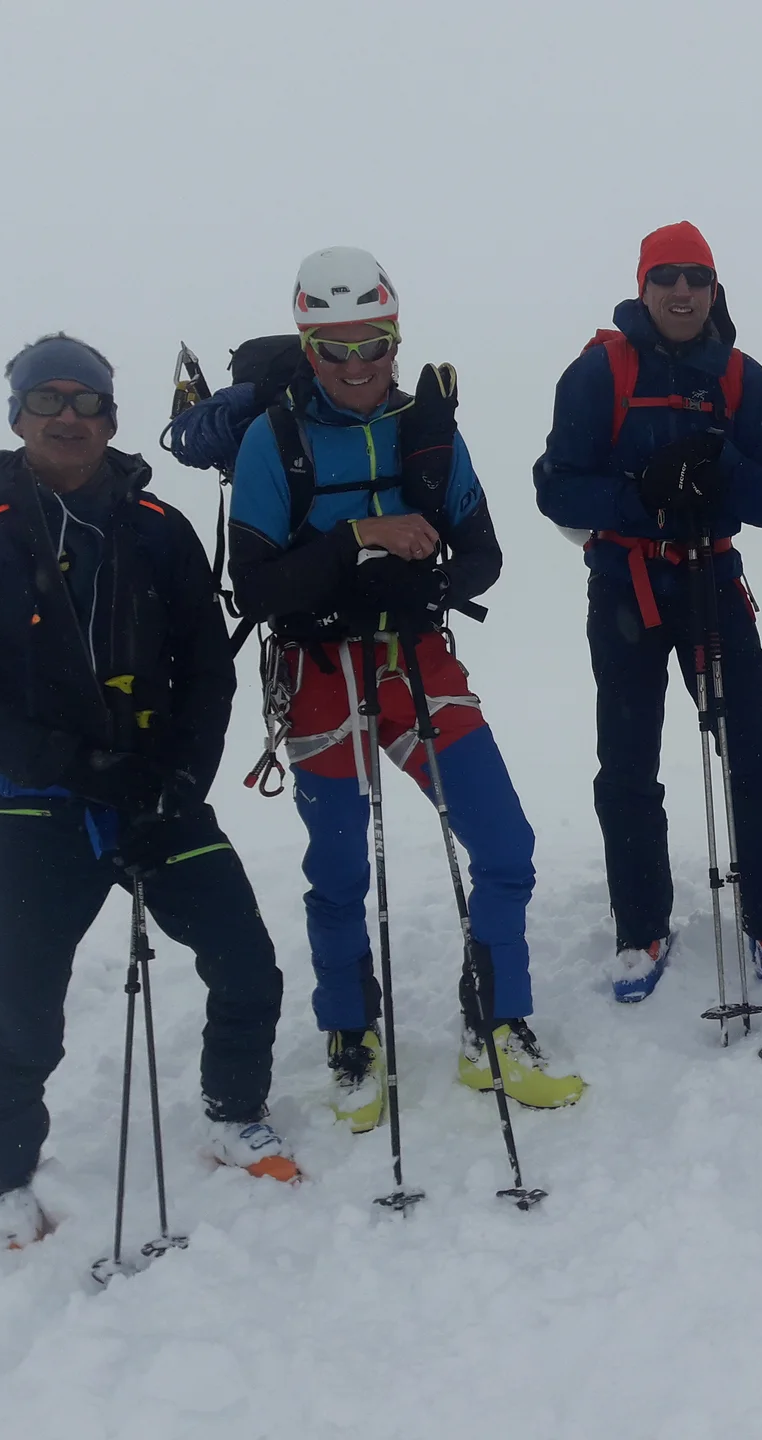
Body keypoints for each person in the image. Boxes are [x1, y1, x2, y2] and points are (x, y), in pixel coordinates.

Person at [0, 333, 293, 1249]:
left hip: (157, 792)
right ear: (19, 418)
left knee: (246, 961)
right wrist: (72, 764)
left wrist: (181, 779)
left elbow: (206, 671)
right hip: (30, 807)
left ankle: (234, 1113)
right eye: (49, 401)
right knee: (30, 1006)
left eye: (86, 402)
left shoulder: (159, 527)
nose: (68, 417)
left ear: (112, 419)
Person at [228, 246, 583, 1118]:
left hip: (414, 661)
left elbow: (485, 556)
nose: (357, 365)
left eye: (373, 343)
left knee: (504, 848)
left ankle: (494, 1023)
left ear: (397, 339)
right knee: (341, 867)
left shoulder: (427, 428)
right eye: (335, 348)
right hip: (318, 674)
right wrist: (360, 542)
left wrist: (424, 583)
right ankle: (351, 1034)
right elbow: (257, 586)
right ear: (309, 350)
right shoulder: (271, 441)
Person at [534, 222, 762, 1008]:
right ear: (643, 287)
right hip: (626, 582)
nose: (683, 291)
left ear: (714, 288)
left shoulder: (737, 376)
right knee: (627, 758)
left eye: (697, 277)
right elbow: (557, 485)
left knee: (756, 750)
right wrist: (645, 495)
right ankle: (640, 926)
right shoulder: (598, 372)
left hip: (714, 580)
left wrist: (716, 461)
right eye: (667, 278)